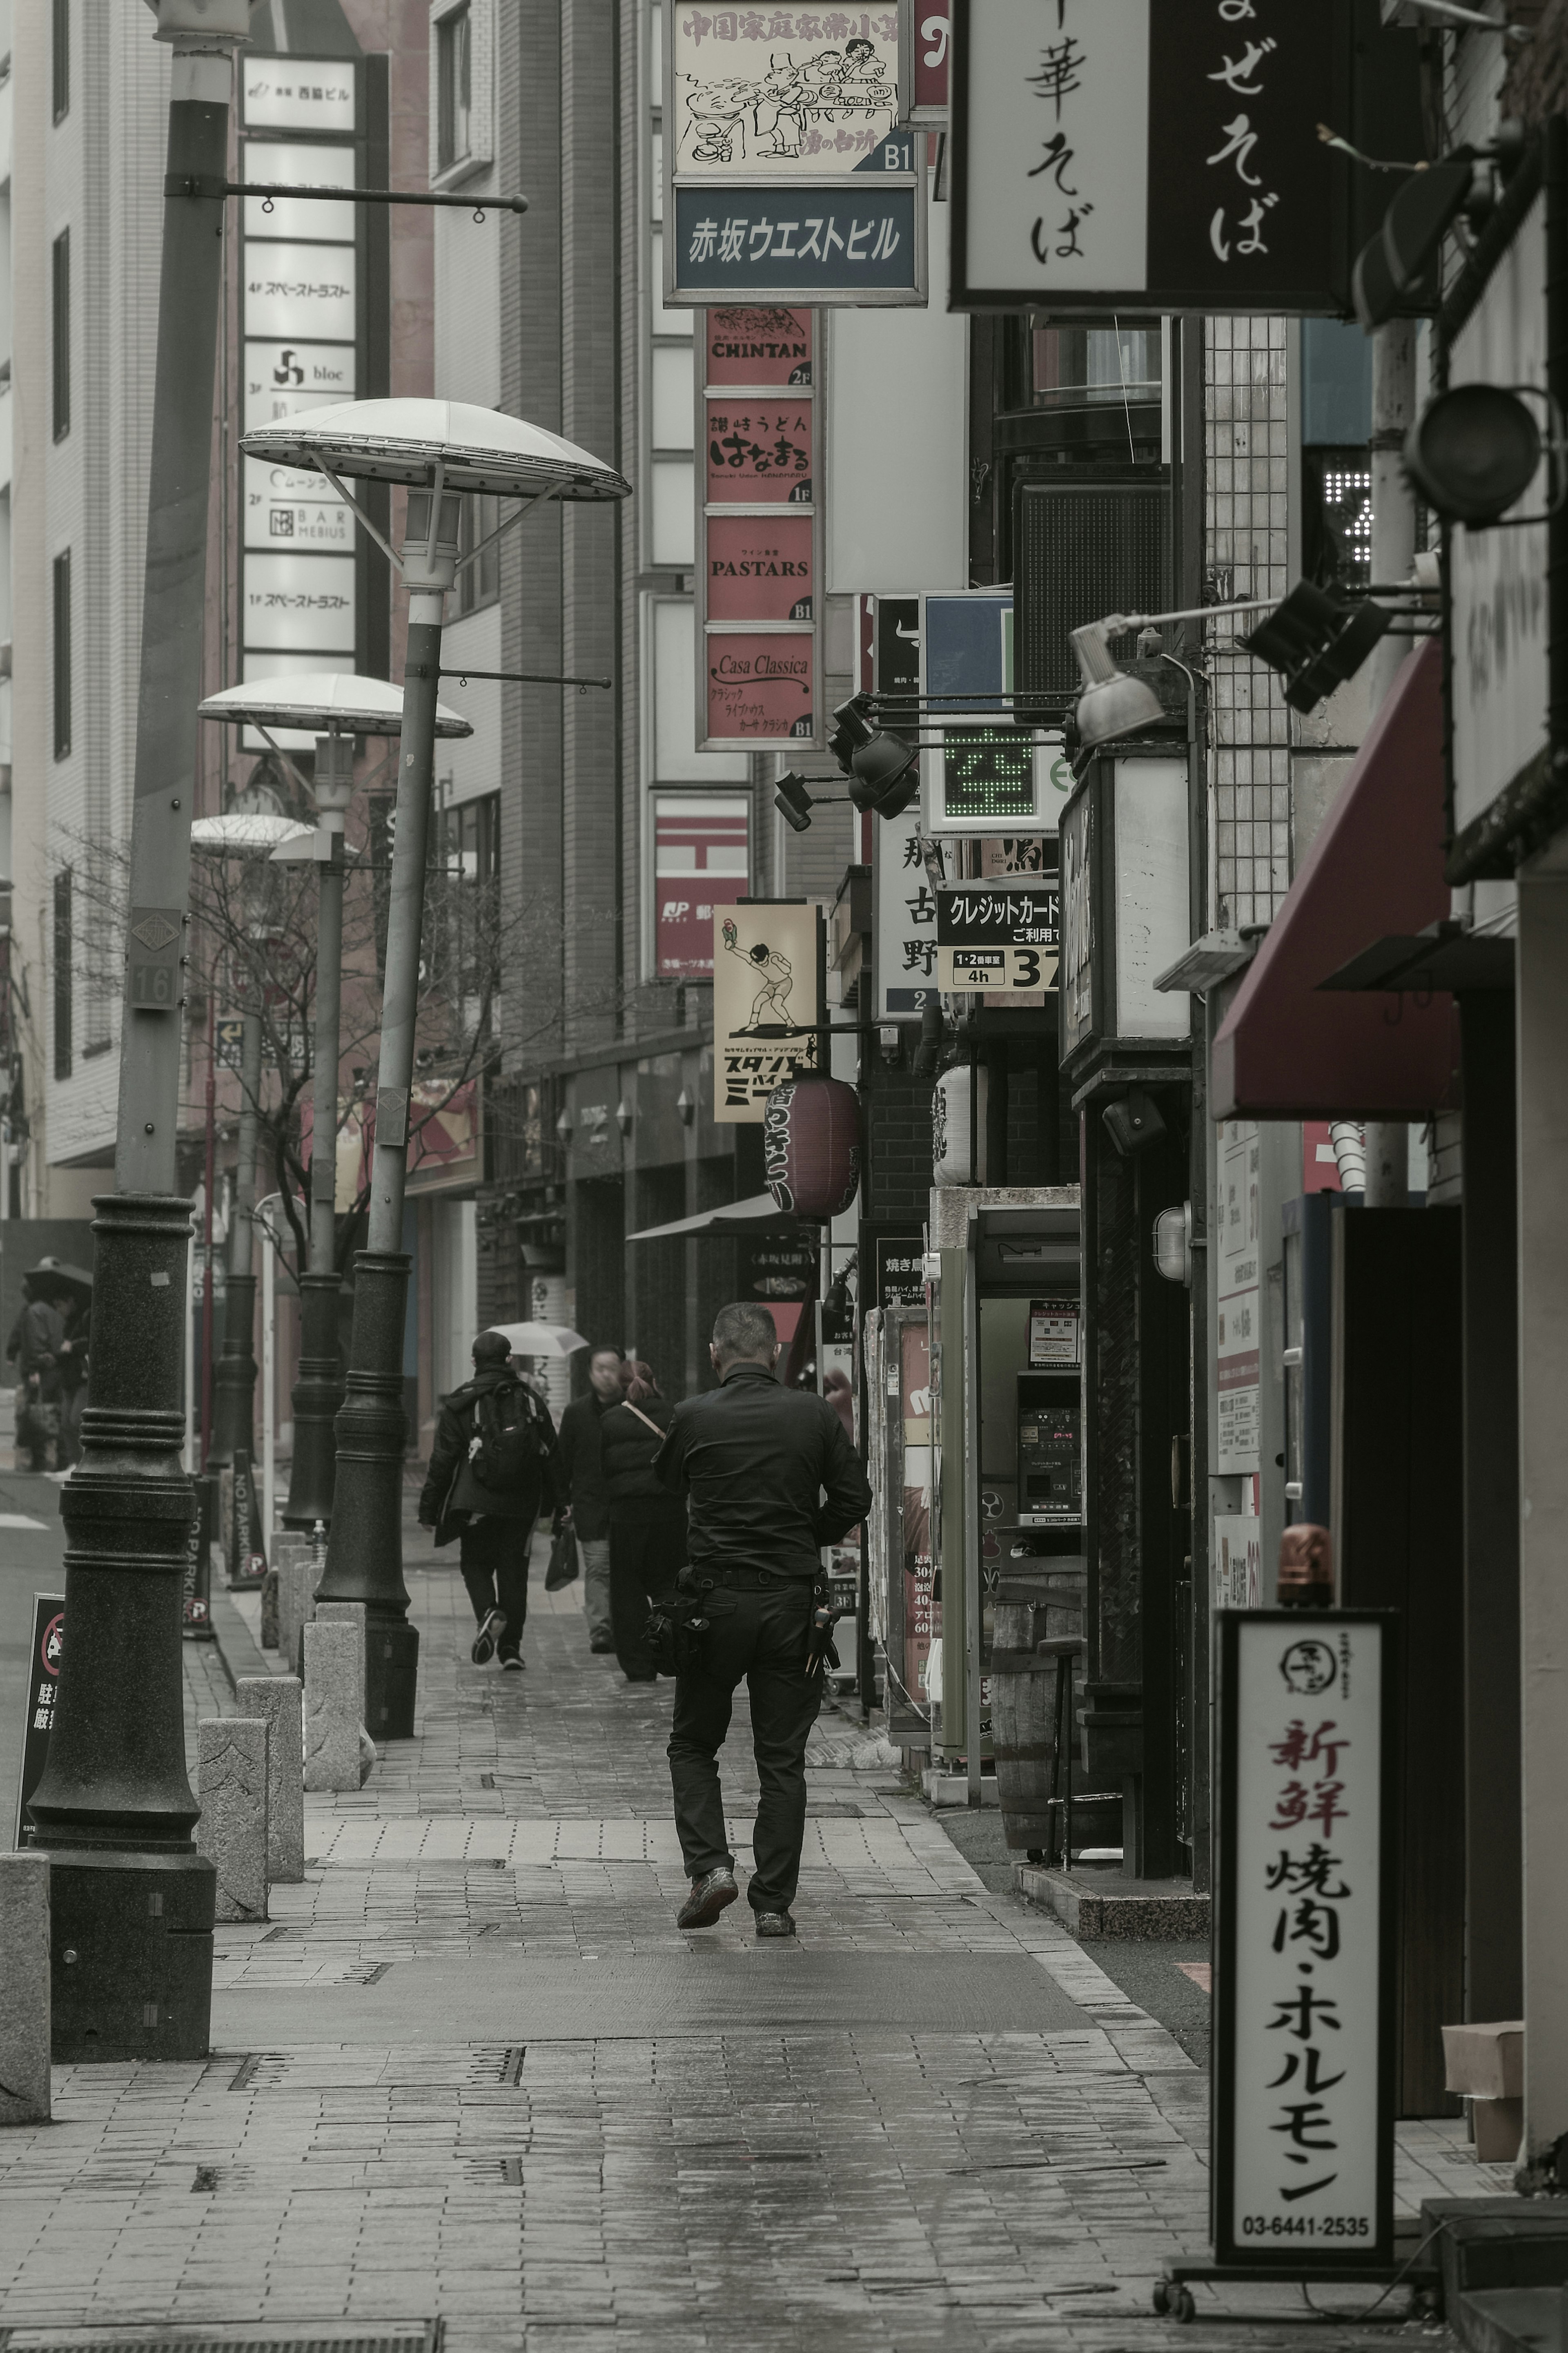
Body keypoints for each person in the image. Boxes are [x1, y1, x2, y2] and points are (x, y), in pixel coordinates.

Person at [654, 1300, 871, 1940]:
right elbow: (855, 1497)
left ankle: (711, 1867)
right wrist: (807, 1533)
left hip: (714, 1604)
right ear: (774, 1354)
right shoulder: (812, 1413)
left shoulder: (693, 1416)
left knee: (694, 1742)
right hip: (792, 1605)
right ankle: (773, 1904)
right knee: (782, 1758)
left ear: (715, 1353)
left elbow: (665, 1487)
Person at [418, 1329, 559, 1670]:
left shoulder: (459, 1402)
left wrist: (430, 1509)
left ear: (474, 1362)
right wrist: (559, 1504)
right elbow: (552, 1455)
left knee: (475, 1563)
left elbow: (442, 1461)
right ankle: (511, 1649)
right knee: (514, 1572)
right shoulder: (530, 1399)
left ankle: (488, 1612)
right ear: (509, 1359)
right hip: (521, 1504)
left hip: (477, 1502)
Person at [600, 1360, 687, 1683]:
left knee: (627, 1590)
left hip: (626, 1516)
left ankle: (639, 1665)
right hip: (670, 1512)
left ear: (622, 1387)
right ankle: (676, 1654)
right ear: (655, 1381)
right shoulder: (676, 1414)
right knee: (671, 1583)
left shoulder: (610, 1420)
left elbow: (603, 1470)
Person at [556, 1346, 624, 1654]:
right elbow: (563, 1462)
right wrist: (563, 1502)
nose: (607, 1375)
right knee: (598, 1567)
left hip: (626, 1503)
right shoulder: (576, 1413)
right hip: (590, 1504)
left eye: (612, 1368)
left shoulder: (632, 1408)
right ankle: (601, 1630)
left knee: (623, 1568)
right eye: (601, 1368)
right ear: (590, 1372)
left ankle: (626, 1626)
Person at [6, 1279, 66, 1474]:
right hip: (56, 1370)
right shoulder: (56, 1311)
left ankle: (33, 1460)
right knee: (50, 1413)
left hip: (38, 1371)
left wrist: (32, 1369)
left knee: (32, 1414)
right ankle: (53, 1459)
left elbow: (33, 1343)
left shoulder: (33, 1311)